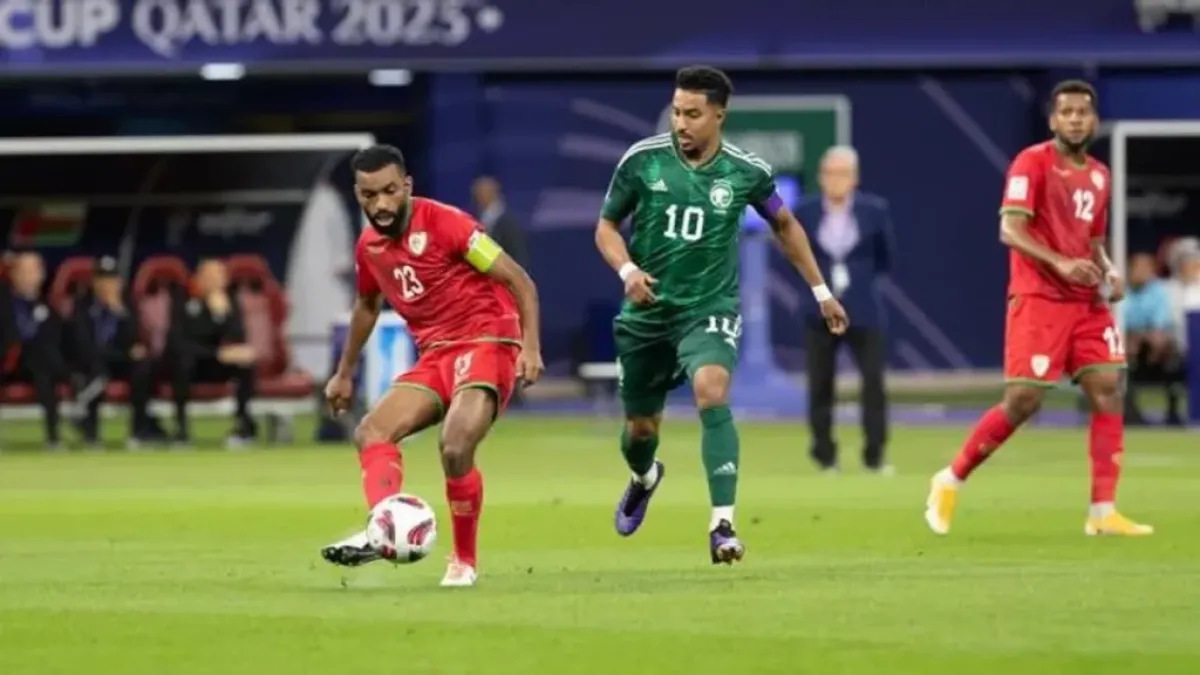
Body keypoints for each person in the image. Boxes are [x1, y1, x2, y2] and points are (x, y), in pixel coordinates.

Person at [594, 66, 848, 564]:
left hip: (708, 308)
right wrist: (627, 270)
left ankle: (722, 526)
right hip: (646, 314)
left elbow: (785, 224)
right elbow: (605, 227)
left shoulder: (745, 171)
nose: (681, 123)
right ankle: (645, 476)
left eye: (692, 114)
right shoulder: (643, 160)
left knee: (711, 388)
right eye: (676, 112)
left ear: (719, 116)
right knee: (640, 432)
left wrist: (821, 292)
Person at [925, 80, 1152, 536]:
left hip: (1085, 302)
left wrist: (1108, 270)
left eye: (1082, 112)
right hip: (1039, 297)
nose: (1075, 119)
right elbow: (1010, 230)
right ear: (1053, 120)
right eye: (1066, 112)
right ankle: (950, 479)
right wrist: (1060, 263)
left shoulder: (1100, 175)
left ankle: (1102, 511)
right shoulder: (1031, 162)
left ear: (1094, 120)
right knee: (1024, 401)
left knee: (1108, 387)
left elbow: (1093, 241)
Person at [320, 144, 543, 588]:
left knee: (455, 445)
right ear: (357, 194)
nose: (380, 204)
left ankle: (463, 561)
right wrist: (344, 373)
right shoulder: (369, 247)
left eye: (389, 191)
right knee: (371, 432)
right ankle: (383, 525)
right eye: (369, 195)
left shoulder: (449, 224)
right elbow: (367, 305)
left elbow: (519, 280)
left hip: (487, 341)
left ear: (406, 186)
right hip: (436, 354)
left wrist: (531, 347)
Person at [795, 145, 894, 473]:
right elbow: (794, 254)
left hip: (863, 309)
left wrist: (859, 285)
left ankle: (875, 456)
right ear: (821, 177)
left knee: (873, 384)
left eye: (843, 173)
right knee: (820, 384)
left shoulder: (874, 211)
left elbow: (885, 258)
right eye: (830, 173)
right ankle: (825, 455)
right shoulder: (805, 211)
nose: (836, 180)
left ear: (855, 178)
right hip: (819, 310)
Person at [165, 258, 258, 447]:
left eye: (219, 277)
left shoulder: (229, 300)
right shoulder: (183, 299)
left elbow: (237, 336)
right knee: (183, 363)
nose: (214, 282)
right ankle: (181, 428)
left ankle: (243, 425)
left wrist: (221, 315)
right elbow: (178, 342)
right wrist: (217, 353)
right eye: (209, 277)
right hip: (192, 363)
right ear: (198, 278)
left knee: (245, 364)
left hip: (216, 365)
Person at [0, 252, 74, 447]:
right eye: (25, 271)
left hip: (37, 365)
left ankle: (53, 438)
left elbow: (59, 339)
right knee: (43, 357)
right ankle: (73, 380)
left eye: (34, 271)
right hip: (7, 363)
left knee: (43, 368)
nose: (30, 277)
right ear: (14, 274)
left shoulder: (48, 306)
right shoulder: (4, 302)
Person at [1121, 252, 1182, 425]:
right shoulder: (1122, 291)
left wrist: (1140, 337)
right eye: (1137, 268)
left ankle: (1173, 412)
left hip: (1154, 348)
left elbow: (1159, 326)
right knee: (1122, 355)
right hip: (1129, 345)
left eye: (1145, 268)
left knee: (1167, 351)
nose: (1141, 272)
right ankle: (1131, 412)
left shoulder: (1159, 293)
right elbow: (1120, 322)